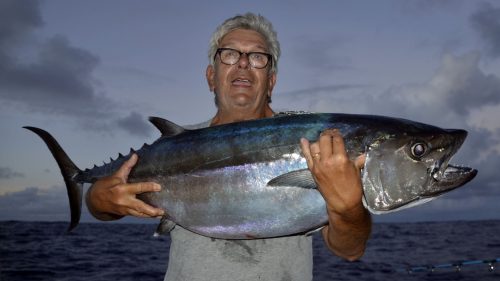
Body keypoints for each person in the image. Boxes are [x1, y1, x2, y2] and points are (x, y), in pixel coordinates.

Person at [86, 13, 372, 281]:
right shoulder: (173, 146)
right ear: (211, 77)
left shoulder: (316, 143)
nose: (244, 63)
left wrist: (348, 208)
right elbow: (103, 205)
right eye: (230, 54)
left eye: (258, 57)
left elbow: (349, 250)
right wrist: (97, 199)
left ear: (270, 82)